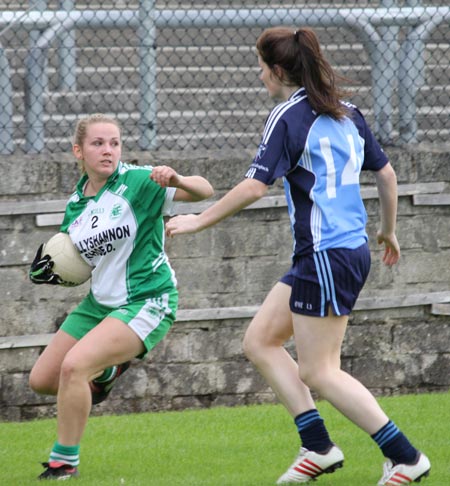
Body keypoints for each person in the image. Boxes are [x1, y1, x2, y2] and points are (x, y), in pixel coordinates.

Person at [165, 27, 430, 485]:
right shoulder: (348, 112)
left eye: (261, 68)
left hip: (326, 256)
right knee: (260, 342)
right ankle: (318, 447)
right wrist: (387, 231)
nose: (260, 76)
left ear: (278, 71)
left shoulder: (287, 116)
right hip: (336, 253)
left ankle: (405, 457)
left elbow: (253, 185)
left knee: (320, 372)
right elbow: (386, 175)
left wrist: (198, 219)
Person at [28, 113, 214, 480]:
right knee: (42, 380)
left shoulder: (140, 181)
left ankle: (63, 462)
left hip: (148, 299)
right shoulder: (76, 204)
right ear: (78, 151)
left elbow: (204, 190)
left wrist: (176, 179)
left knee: (74, 367)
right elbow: (76, 261)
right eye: (98, 143)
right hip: (99, 304)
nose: (108, 150)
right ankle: (109, 371)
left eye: (114, 143)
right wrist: (52, 270)